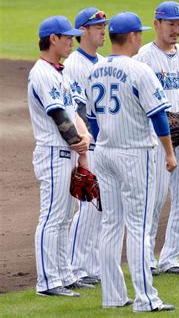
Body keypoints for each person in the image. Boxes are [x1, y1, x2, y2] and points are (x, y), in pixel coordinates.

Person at [85, 12, 176, 311]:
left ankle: (112, 296)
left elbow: (91, 120)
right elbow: (158, 116)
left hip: (105, 154)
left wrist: (102, 142)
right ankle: (146, 299)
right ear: (133, 37)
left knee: (111, 223)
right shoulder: (140, 71)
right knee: (138, 226)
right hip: (136, 154)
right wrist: (169, 151)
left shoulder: (94, 71)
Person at [134, 1, 179, 276]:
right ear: (157, 24)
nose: (176, 29)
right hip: (156, 138)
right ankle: (147, 258)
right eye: (170, 24)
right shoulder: (143, 58)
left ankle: (171, 258)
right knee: (154, 198)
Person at [28, 16, 94, 297]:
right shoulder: (41, 73)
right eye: (67, 37)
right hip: (53, 152)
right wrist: (79, 143)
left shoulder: (62, 72)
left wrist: (84, 139)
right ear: (52, 39)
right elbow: (57, 115)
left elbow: (75, 110)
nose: (72, 41)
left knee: (66, 216)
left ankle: (65, 274)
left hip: (67, 151)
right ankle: (47, 282)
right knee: (52, 217)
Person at [64, 7, 109, 285]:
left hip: (103, 143)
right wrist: (86, 142)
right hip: (85, 145)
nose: (102, 30)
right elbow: (75, 108)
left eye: (103, 25)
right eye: (97, 26)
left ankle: (91, 266)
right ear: (82, 31)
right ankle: (76, 266)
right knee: (88, 205)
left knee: (101, 207)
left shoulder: (103, 61)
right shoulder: (72, 65)